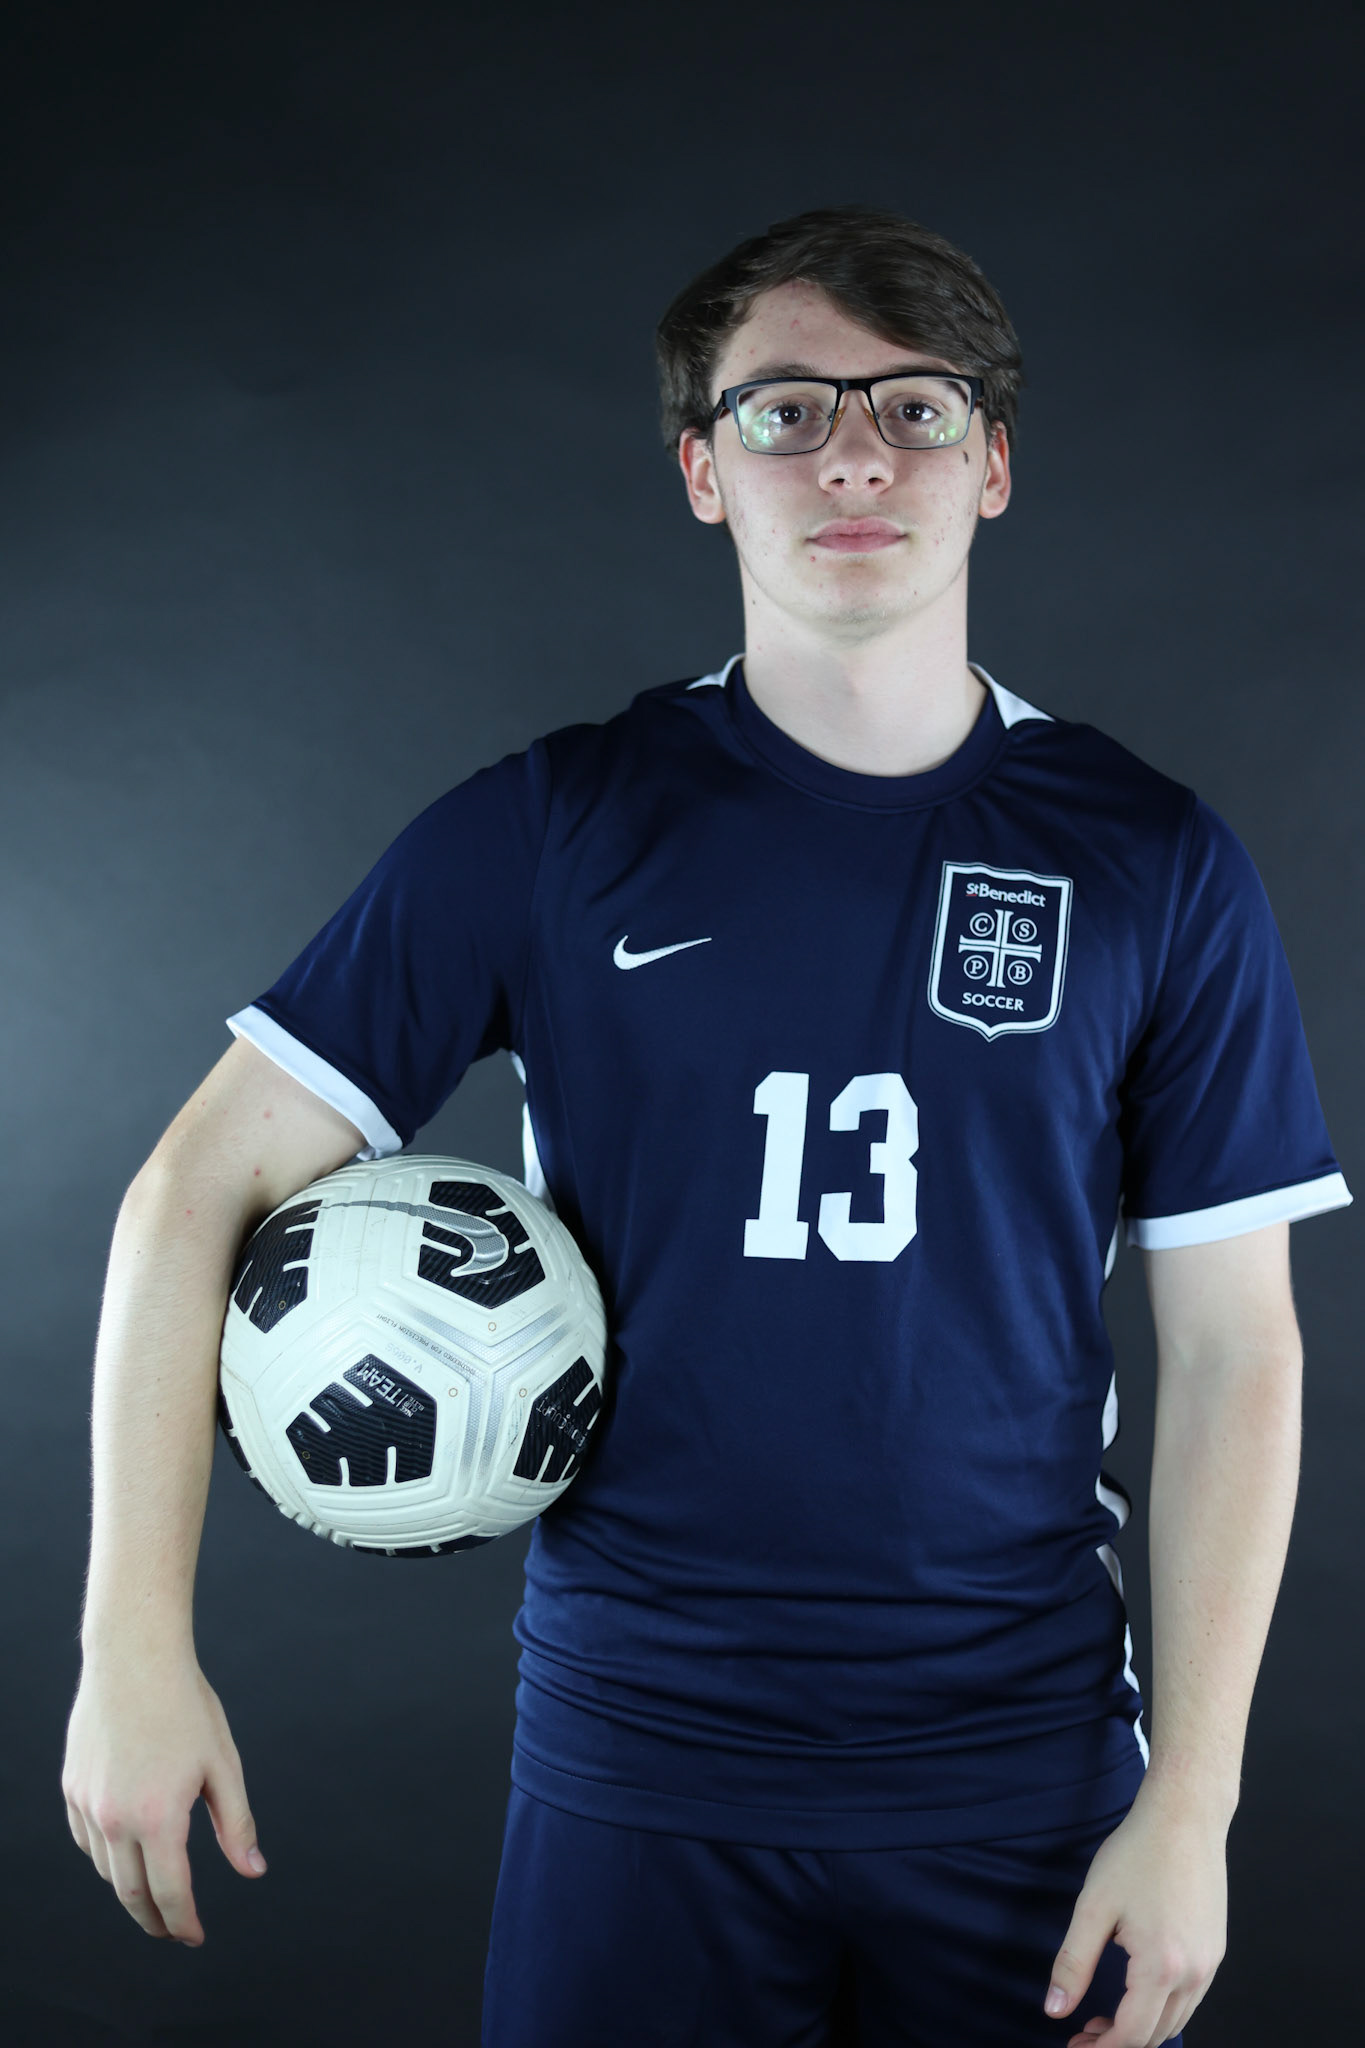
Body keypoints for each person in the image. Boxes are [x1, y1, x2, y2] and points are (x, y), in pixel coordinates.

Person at [63, 206, 1351, 2048]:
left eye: (913, 411)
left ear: (991, 464)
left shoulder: (1151, 862)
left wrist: (1195, 1801)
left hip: (1023, 1776)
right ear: (698, 468)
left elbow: (1237, 1349)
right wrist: (132, 1647)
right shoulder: (555, 826)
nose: (850, 455)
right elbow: (192, 1188)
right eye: (784, 409)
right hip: (636, 1764)